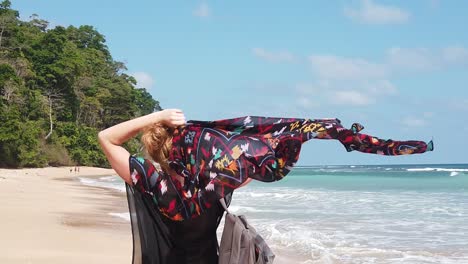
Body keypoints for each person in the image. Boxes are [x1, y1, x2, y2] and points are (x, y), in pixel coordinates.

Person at [99, 109, 432, 264]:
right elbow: (254, 159)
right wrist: (296, 135)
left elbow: (107, 137)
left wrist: (155, 117)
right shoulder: (217, 185)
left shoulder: (152, 182)